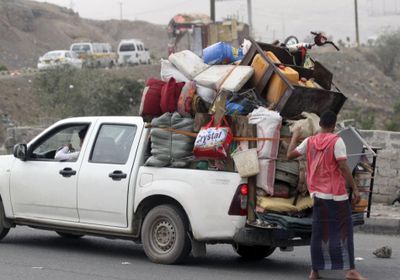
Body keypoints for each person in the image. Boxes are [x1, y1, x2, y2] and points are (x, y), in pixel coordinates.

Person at [286, 111, 367, 280]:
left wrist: (295, 135)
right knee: (344, 230)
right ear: (334, 125)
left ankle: (314, 271)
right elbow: (344, 167)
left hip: (317, 193)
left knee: (319, 231)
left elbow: (289, 154)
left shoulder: (309, 141)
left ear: (321, 124)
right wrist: (355, 188)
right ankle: (350, 271)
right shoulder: (337, 141)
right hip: (336, 194)